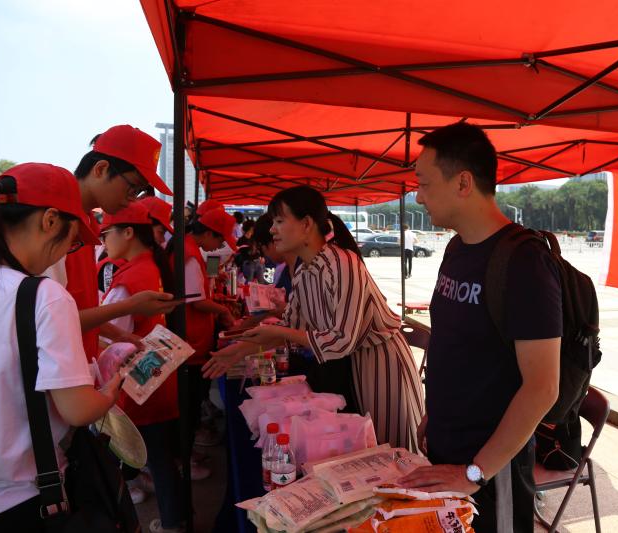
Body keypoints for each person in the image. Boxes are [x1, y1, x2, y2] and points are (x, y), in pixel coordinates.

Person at [397, 123, 561, 532]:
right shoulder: (456, 248)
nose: (418, 196)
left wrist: (475, 472)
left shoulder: (524, 262)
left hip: (489, 473)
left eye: (425, 184)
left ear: (463, 183)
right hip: (445, 453)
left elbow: (543, 387)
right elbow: (457, 343)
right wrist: (435, 413)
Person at [203, 186, 425, 451]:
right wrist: (240, 350)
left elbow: (340, 340)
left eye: (279, 221)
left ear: (307, 224)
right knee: (368, 447)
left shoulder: (342, 263)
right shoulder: (305, 272)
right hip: (353, 365)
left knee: (390, 448)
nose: (272, 230)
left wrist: (278, 334)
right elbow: (291, 327)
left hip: (381, 364)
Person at [0, 164, 121, 529]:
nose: (65, 251)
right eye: (72, 241)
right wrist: (110, 390)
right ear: (50, 220)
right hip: (24, 497)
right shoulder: (44, 296)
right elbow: (78, 410)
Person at [47, 125, 180, 363]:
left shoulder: (85, 223)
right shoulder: (56, 225)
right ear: (101, 169)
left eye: (138, 192)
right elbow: (49, 321)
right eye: (132, 188)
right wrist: (128, 306)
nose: (132, 200)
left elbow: (77, 310)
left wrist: (118, 334)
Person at [99, 202, 183, 532]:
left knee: (151, 457)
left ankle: (173, 521)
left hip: (137, 382)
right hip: (157, 373)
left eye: (106, 233)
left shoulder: (129, 278)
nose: (103, 241)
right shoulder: (151, 266)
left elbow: (110, 337)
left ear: (128, 233)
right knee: (161, 456)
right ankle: (177, 516)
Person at [167, 208, 237, 463]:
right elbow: (196, 302)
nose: (219, 247)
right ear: (208, 233)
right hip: (190, 341)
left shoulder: (189, 250)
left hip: (191, 338)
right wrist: (223, 310)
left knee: (191, 402)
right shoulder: (190, 255)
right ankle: (183, 459)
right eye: (219, 240)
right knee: (190, 403)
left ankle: (185, 453)